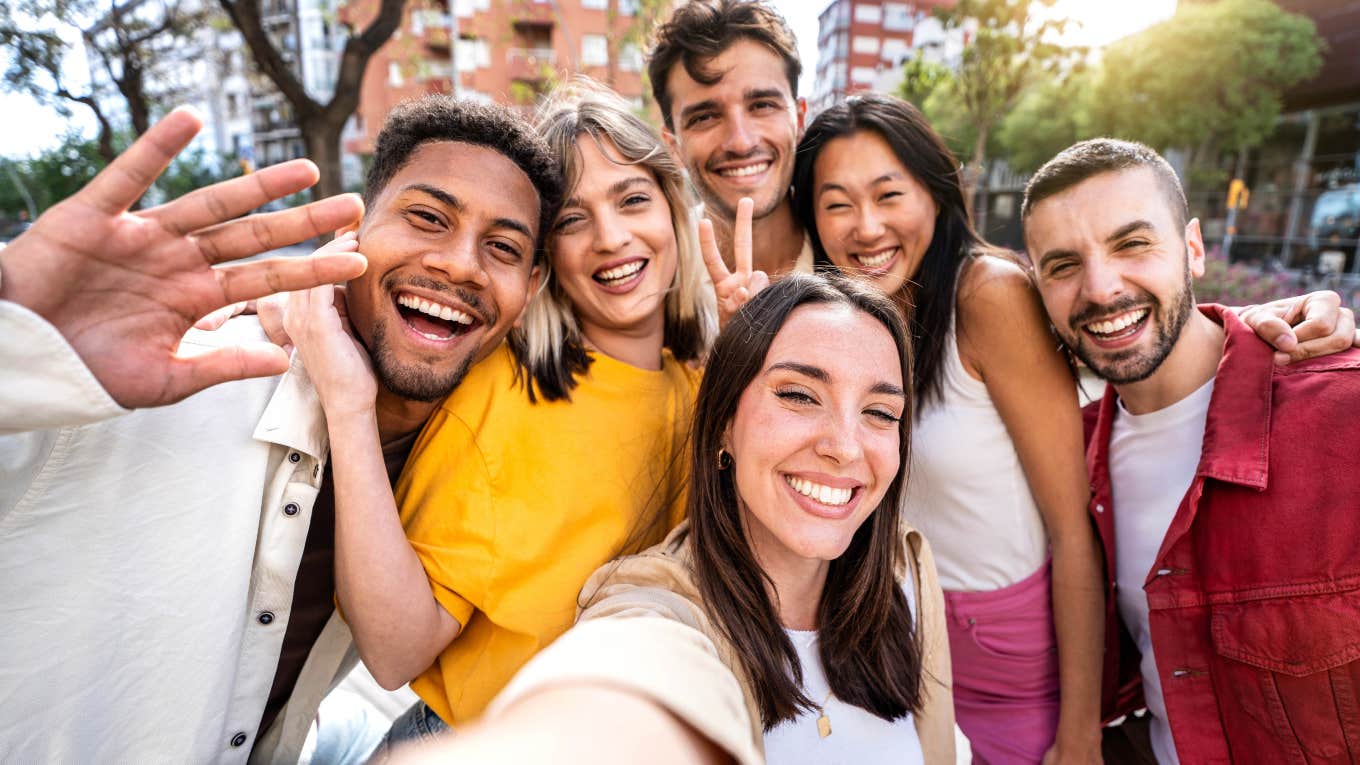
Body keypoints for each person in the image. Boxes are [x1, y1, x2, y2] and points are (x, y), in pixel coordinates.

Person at [0, 97, 562, 763]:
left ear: (530, 288)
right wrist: (16, 327)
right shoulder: (156, 375)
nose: (462, 265)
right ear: (354, 230)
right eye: (428, 218)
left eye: (501, 247)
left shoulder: (466, 464)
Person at [283, 80, 716, 752]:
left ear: (673, 212)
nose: (611, 237)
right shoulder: (505, 392)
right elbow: (397, 650)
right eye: (573, 219)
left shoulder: (701, 388)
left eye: (633, 199)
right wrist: (348, 405)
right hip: (477, 738)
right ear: (546, 268)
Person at [384, 273, 957, 765]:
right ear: (724, 423)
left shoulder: (906, 572)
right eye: (800, 396)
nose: (845, 447)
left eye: (881, 413)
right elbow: (622, 691)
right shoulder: (657, 608)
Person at [1023, 138, 1360, 764]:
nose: (1100, 289)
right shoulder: (1072, 452)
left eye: (1132, 244)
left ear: (1194, 248)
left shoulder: (1343, 413)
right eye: (1063, 265)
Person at [788, 93, 1102, 764]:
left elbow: (1076, 528)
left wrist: (1081, 733)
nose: (866, 226)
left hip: (1009, 655)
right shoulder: (849, 323)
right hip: (901, 642)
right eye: (837, 203)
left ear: (935, 192)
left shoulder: (986, 294)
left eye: (888, 194)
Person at [647, 0, 810, 278]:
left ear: (799, 120)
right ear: (673, 145)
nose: (741, 143)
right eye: (705, 117)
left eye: (762, 105)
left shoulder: (854, 257)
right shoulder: (653, 275)